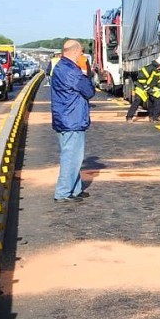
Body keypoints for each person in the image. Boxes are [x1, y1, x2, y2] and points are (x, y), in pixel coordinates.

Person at [50, 39, 95, 202]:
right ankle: (62, 192)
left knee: (73, 156)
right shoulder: (71, 71)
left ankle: (75, 189)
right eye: (81, 52)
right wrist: (86, 71)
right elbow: (89, 91)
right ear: (74, 51)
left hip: (64, 117)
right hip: (72, 119)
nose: (82, 55)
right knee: (71, 157)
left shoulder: (61, 67)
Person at [126, 55, 160, 123]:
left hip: (151, 88)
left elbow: (158, 80)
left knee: (157, 98)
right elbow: (141, 78)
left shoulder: (159, 71)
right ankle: (129, 117)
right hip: (141, 88)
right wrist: (146, 88)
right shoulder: (149, 68)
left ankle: (154, 117)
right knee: (137, 101)